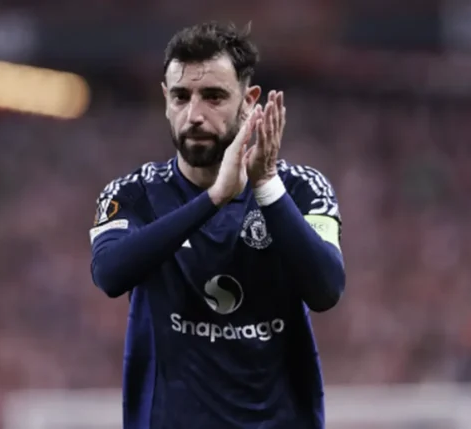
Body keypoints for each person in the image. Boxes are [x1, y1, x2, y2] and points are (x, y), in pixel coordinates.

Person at [89, 21, 345, 429]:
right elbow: (109, 273)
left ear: (249, 100)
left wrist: (265, 185)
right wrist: (213, 199)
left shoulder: (300, 189)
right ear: (165, 100)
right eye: (181, 96)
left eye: (213, 97)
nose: (194, 115)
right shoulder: (135, 194)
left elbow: (326, 289)